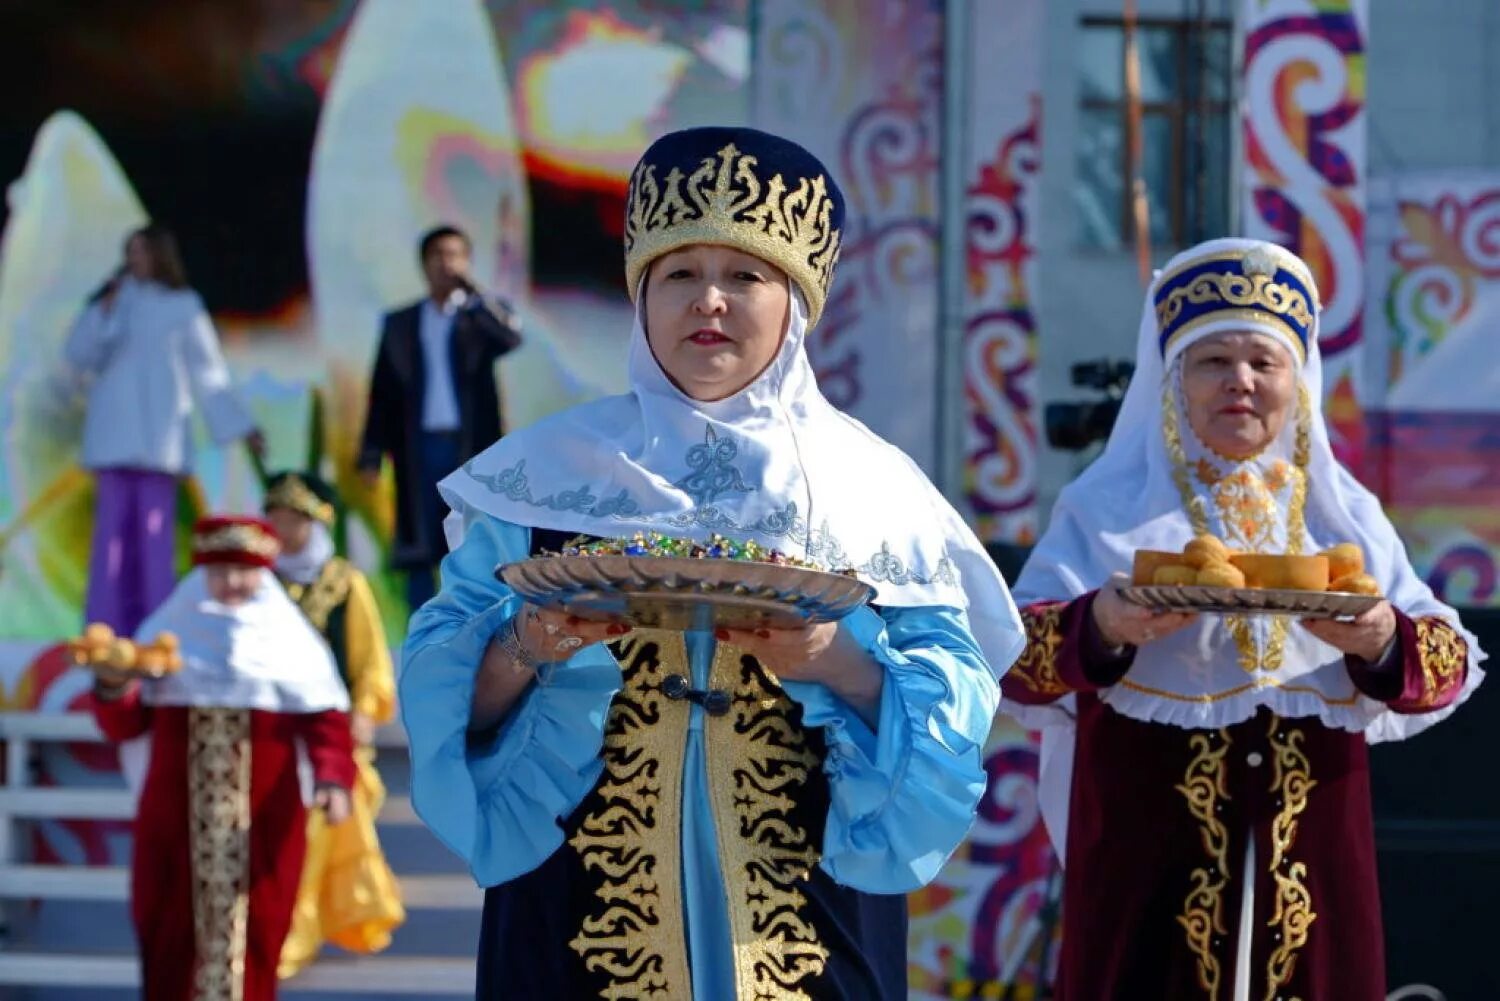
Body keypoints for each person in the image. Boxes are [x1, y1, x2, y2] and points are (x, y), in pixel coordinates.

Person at [400, 126, 1026, 1000]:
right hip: (572, 919)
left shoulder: (875, 491)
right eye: (681, 274)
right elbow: (443, 696)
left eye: (745, 275)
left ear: (796, 301)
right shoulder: (541, 479)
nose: (711, 302)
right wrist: (529, 646)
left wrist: (832, 660)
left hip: (808, 917)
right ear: (642, 294)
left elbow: (950, 720)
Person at [1000, 238, 1486, 1000]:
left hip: (1314, 874)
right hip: (1145, 872)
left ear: (1298, 380)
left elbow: (1447, 668)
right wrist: (1105, 626)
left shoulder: (1344, 514)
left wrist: (1381, 639)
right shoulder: (1105, 510)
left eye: (1265, 361)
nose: (1242, 382)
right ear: (1171, 381)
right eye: (1213, 362)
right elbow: (1011, 660)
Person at [89, 515, 355, 1001]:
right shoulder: (169, 631)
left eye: (243, 570)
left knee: (260, 926)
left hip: (264, 821)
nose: (231, 582)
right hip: (175, 824)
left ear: (264, 571)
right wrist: (113, 683)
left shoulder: (291, 643)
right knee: (167, 928)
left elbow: (325, 720)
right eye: (219, 571)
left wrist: (333, 779)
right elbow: (124, 725)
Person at [64, 223, 265, 636]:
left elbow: (208, 373)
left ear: (159, 255)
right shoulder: (111, 303)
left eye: (140, 251)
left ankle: (156, 631)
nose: (132, 259)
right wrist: (103, 311)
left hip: (160, 443)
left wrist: (241, 425)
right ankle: (103, 632)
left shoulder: (182, 305)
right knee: (111, 546)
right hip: (113, 440)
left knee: (154, 543)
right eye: (129, 251)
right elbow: (78, 356)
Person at [261, 470, 405, 977]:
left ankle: (303, 932)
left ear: (313, 521)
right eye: (274, 517)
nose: (281, 528)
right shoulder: (260, 582)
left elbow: (369, 660)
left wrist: (365, 712)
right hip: (271, 732)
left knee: (322, 827)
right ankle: (290, 931)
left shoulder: (343, 582)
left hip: (329, 734)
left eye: (292, 518)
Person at [356, 224, 523, 612]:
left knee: (470, 537)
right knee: (421, 541)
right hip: (418, 445)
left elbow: (510, 338)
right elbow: (382, 390)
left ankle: (473, 623)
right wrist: (370, 452)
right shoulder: (402, 323)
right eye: (439, 255)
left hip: (470, 445)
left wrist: (475, 292)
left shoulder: (477, 319)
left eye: (455, 255)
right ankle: (424, 627)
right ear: (424, 264)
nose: (447, 264)